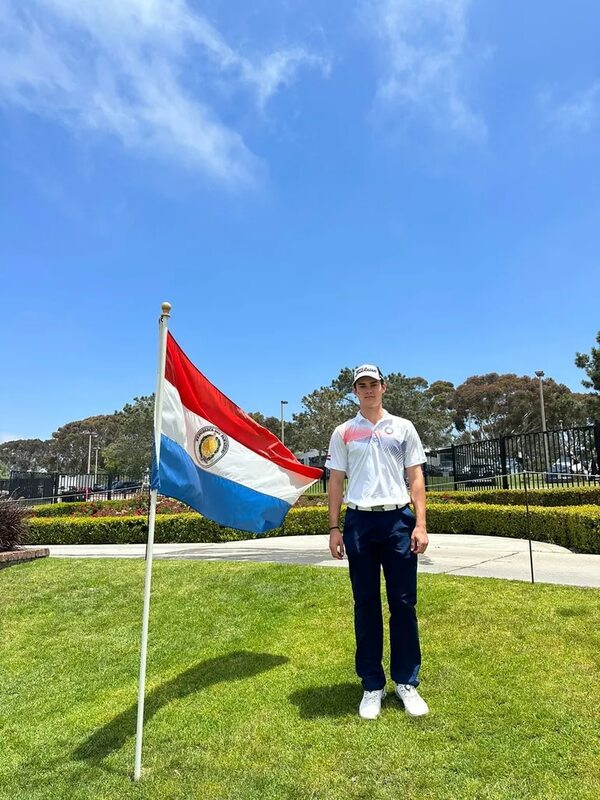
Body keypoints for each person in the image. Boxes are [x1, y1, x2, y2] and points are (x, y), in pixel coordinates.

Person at [326, 364, 429, 720]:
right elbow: (336, 482)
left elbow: (415, 476)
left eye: (373, 384)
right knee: (365, 603)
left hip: (397, 520)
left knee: (403, 603)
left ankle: (405, 681)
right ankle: (372, 684)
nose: (368, 390)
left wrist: (421, 524)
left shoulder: (403, 428)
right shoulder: (343, 432)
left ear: (384, 387)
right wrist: (335, 528)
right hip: (359, 523)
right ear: (355, 392)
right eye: (361, 385)